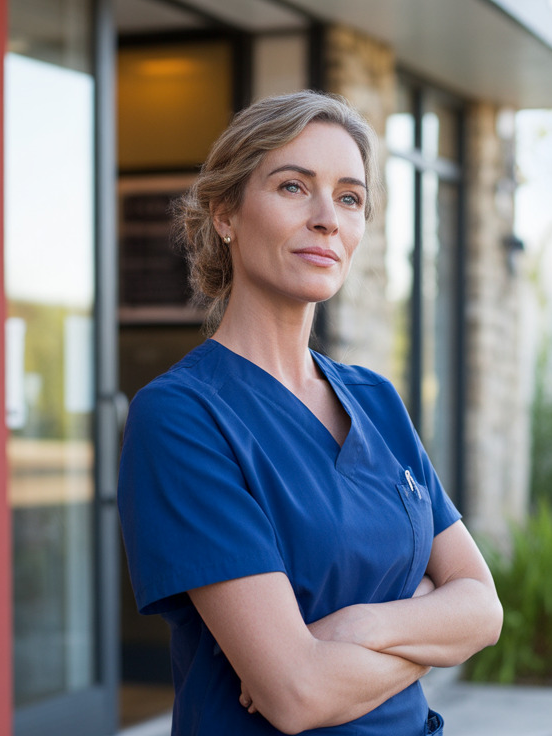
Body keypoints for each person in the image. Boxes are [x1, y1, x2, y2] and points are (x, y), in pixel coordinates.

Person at [117, 90, 503, 735]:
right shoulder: (183, 416)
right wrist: (430, 622)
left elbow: (484, 610)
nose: (327, 218)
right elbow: (296, 695)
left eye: (349, 198)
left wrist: (362, 626)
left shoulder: (375, 400)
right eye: (294, 187)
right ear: (225, 214)